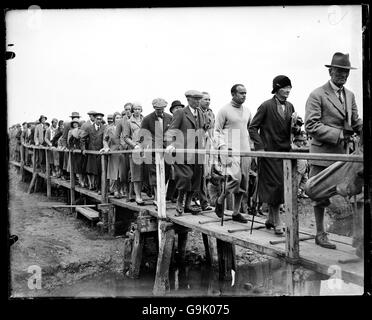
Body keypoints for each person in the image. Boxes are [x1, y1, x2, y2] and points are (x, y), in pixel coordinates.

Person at [304, 52, 363, 249]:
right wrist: (338, 134)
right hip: (322, 154)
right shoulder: (317, 94)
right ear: (330, 71)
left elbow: (355, 122)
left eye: (346, 71)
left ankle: (359, 238)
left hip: (342, 156)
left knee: (354, 192)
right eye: (339, 71)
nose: (343, 75)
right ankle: (320, 234)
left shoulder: (350, 95)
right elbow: (311, 125)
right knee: (317, 194)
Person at [249, 76, 298, 234]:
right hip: (269, 152)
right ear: (277, 89)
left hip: (285, 152)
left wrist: (296, 127)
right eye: (285, 88)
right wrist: (260, 148)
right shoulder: (265, 106)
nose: (288, 91)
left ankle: (270, 218)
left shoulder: (290, 106)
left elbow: (291, 129)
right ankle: (277, 221)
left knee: (283, 185)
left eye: (290, 88)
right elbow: (252, 127)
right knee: (274, 186)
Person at [214, 84, 252, 223]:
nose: (244, 95)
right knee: (234, 178)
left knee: (244, 181)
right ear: (233, 94)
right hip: (230, 149)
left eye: (245, 93)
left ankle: (236, 212)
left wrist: (253, 146)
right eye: (241, 93)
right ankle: (221, 199)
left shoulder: (247, 111)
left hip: (245, 150)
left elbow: (249, 129)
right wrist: (222, 146)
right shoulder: (224, 110)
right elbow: (217, 130)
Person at [165, 90, 206, 216]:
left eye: (199, 99)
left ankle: (188, 205)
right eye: (195, 99)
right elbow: (172, 130)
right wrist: (170, 145)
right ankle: (179, 202)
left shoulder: (200, 113)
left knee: (195, 178)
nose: (198, 101)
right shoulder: (180, 113)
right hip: (182, 151)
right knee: (185, 177)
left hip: (196, 151)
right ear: (188, 100)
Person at [140, 98, 173, 207]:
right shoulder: (147, 119)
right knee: (154, 173)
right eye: (157, 109)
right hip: (153, 151)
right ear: (154, 108)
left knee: (166, 173)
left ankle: (161, 195)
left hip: (166, 150)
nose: (160, 111)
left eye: (161, 109)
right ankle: (157, 197)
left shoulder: (170, 118)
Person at [124, 102, 145, 205]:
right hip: (135, 149)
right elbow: (126, 137)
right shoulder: (128, 122)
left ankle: (148, 194)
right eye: (135, 109)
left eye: (139, 109)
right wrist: (134, 145)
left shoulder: (145, 120)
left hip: (146, 149)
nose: (137, 111)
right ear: (132, 110)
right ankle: (138, 195)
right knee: (136, 173)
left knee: (146, 171)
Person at [81, 112, 107, 194]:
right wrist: (83, 149)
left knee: (100, 170)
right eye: (97, 119)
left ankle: (100, 188)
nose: (99, 120)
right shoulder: (89, 128)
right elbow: (82, 139)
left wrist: (105, 147)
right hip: (92, 152)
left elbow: (106, 139)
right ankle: (93, 186)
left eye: (100, 119)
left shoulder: (104, 128)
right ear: (94, 119)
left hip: (100, 152)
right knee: (92, 170)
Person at [116, 103, 134, 200]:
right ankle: (126, 191)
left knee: (132, 172)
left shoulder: (136, 119)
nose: (128, 111)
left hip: (133, 149)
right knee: (123, 173)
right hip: (123, 151)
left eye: (129, 109)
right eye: (126, 109)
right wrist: (120, 145)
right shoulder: (121, 121)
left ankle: (131, 194)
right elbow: (116, 135)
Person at [67, 119, 84, 186]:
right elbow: (69, 141)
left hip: (80, 149)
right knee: (75, 165)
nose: (75, 124)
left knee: (81, 165)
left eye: (76, 123)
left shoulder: (81, 130)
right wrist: (72, 147)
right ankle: (77, 180)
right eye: (73, 123)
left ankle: (81, 180)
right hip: (74, 150)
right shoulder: (70, 131)